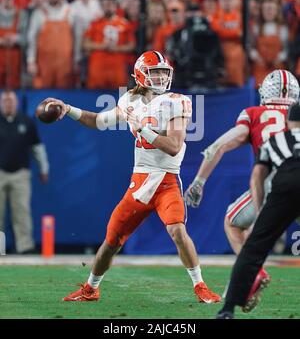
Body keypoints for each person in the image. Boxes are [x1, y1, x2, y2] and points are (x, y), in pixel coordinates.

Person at [44, 50, 221, 303]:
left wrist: (142, 129)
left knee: (177, 231)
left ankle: (200, 286)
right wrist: (68, 108)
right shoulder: (129, 100)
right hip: (139, 183)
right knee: (111, 241)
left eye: (163, 72)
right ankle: (91, 289)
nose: (160, 77)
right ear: (140, 75)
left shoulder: (177, 101)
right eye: (155, 72)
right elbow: (99, 121)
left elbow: (173, 145)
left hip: (166, 180)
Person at [184, 69, 299, 297]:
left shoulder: (254, 113)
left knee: (232, 222)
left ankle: (253, 271)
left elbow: (219, 146)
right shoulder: (296, 115)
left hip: (275, 182)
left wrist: (199, 181)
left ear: (265, 91)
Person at [217, 100, 300, 318]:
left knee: (252, 250)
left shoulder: (275, 140)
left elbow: (257, 176)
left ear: (289, 122)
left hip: (284, 189)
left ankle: (228, 309)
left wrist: (261, 209)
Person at [0, 90, 49, 253]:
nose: (8, 103)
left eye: (11, 101)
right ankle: (0, 248)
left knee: (22, 211)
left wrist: (44, 168)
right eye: (5, 101)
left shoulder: (27, 121)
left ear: (17, 103)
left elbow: (37, 148)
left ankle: (24, 247)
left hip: (21, 174)